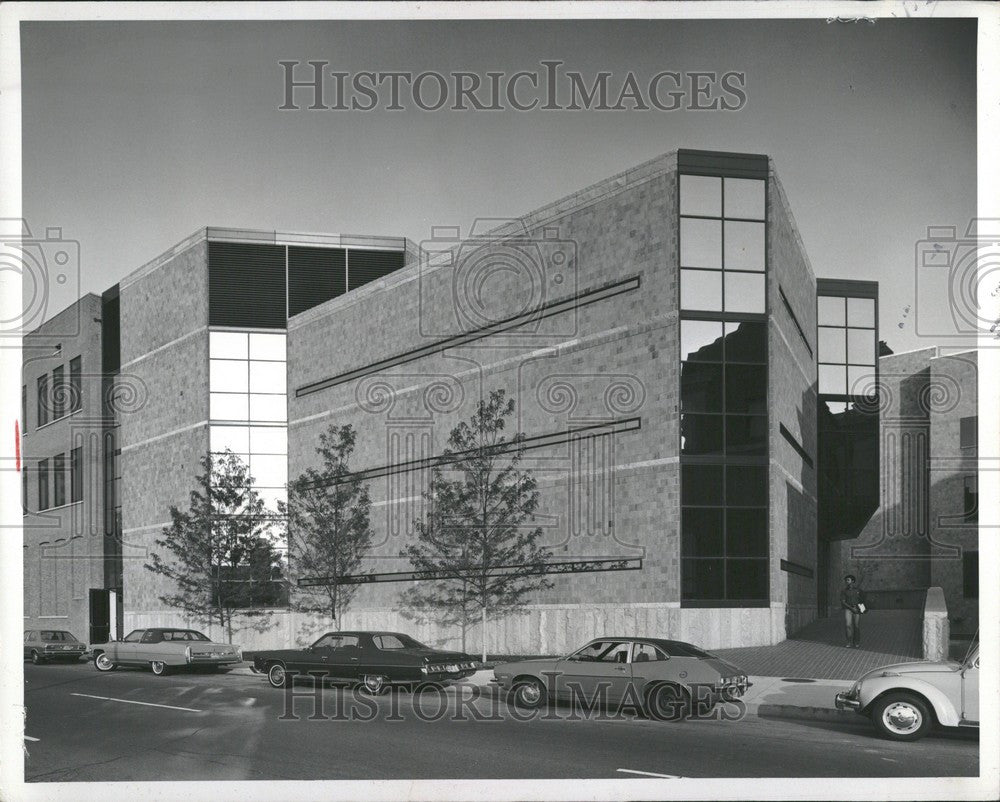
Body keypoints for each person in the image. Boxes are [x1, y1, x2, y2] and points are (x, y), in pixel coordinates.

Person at [840, 574, 866, 648]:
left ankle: (856, 642)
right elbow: (843, 601)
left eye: (848, 580)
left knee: (856, 626)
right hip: (848, 609)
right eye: (846, 580)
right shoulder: (844, 591)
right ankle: (849, 642)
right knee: (848, 625)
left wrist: (862, 609)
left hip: (857, 609)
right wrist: (851, 608)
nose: (846, 581)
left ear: (852, 581)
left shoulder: (858, 590)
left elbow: (863, 599)